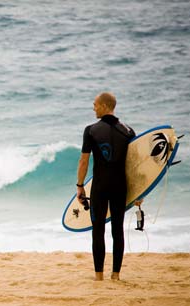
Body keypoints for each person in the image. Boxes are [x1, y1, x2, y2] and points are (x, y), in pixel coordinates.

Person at [76, 92, 141, 281]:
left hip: (100, 187)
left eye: (95, 104)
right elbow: (136, 164)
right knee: (117, 229)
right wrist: (139, 190)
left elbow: (83, 162)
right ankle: (116, 275)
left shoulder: (91, 130)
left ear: (105, 106)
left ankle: (98, 276)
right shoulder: (128, 131)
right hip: (120, 186)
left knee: (98, 230)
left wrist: (80, 186)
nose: (93, 107)